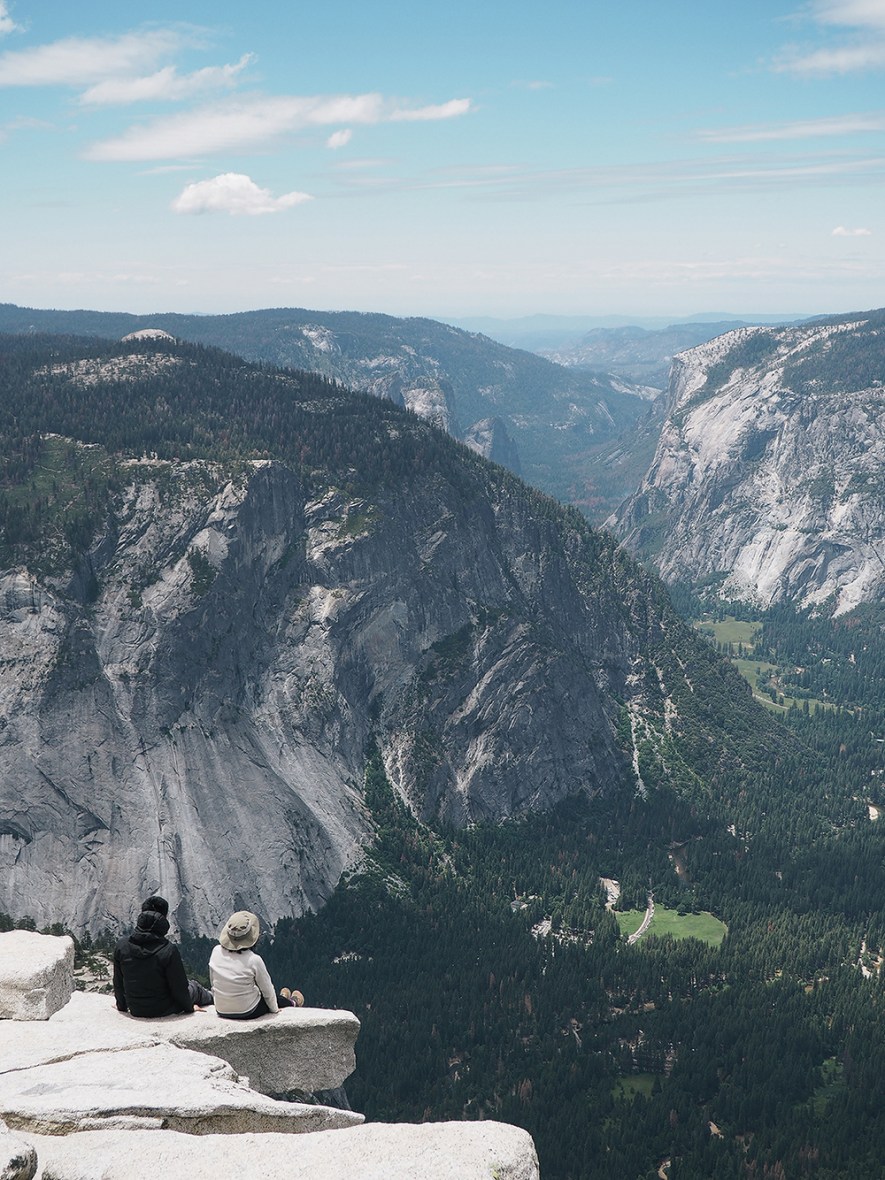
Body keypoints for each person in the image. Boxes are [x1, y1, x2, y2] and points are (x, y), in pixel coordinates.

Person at [112, 895, 213, 1017]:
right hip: (164, 1008)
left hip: (136, 1008)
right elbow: (179, 989)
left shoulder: (122, 946)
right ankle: (217, 1000)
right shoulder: (168, 950)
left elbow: (118, 982)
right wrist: (189, 1008)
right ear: (163, 919)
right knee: (195, 987)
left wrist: (121, 1006)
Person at [209, 910, 303, 1020]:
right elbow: (267, 989)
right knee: (267, 997)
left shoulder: (215, 951)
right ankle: (292, 1002)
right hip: (247, 1011)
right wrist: (275, 1010)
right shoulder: (254, 960)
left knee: (258, 994)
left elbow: (213, 981)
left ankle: (283, 998)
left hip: (221, 1009)